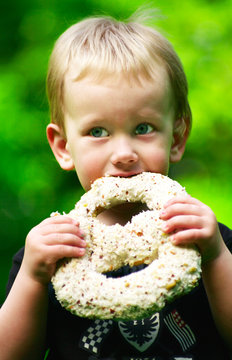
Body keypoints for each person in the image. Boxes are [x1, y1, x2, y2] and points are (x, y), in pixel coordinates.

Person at [1, 9, 232, 360]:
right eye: (98, 132)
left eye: (143, 128)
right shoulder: (52, 252)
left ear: (177, 137)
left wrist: (215, 256)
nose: (124, 153)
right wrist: (32, 279)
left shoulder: (204, 237)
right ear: (63, 147)